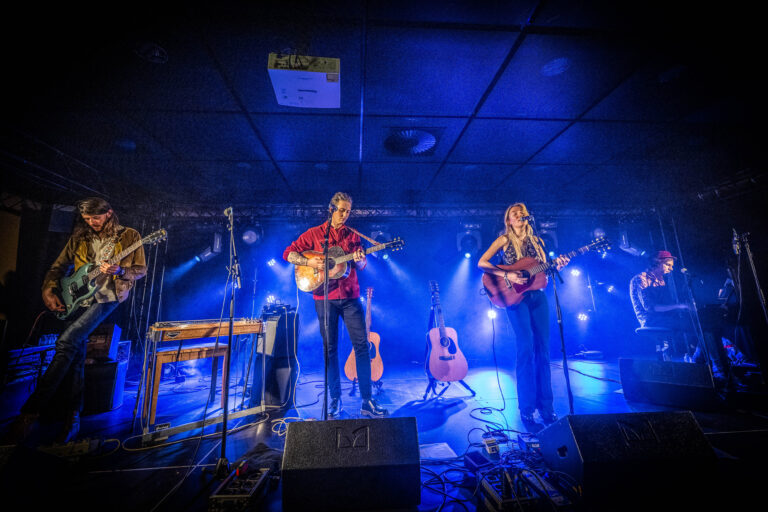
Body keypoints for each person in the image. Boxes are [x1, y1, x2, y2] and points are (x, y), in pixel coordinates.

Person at [4, 197, 146, 445]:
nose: (93, 223)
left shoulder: (130, 236)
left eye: (97, 218)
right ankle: (73, 418)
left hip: (108, 297)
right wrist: (49, 290)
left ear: (109, 214)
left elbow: (141, 269)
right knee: (77, 355)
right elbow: (57, 268)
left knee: (66, 342)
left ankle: (28, 413)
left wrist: (120, 271)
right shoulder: (79, 238)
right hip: (80, 299)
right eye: (88, 219)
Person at [283, 192, 387, 418]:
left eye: (348, 211)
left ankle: (367, 401)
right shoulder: (313, 234)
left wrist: (360, 259)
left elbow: (361, 265)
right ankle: (335, 400)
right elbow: (288, 254)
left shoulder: (352, 236)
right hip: (323, 298)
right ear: (331, 209)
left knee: (362, 347)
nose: (345, 215)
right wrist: (307, 260)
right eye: (341, 210)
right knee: (330, 350)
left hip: (350, 297)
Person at [478, 203, 569, 426]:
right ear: (508, 220)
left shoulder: (538, 241)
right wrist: (507, 276)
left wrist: (558, 265)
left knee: (544, 351)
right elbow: (482, 263)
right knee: (526, 348)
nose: (520, 216)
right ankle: (526, 408)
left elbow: (541, 270)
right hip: (515, 299)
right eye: (514, 214)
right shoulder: (504, 240)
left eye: (522, 213)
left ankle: (546, 407)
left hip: (538, 297)